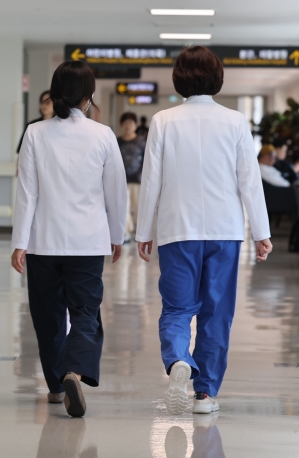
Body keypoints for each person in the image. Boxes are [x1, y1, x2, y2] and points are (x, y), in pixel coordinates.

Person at [136, 46, 272, 416]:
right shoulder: (235, 121)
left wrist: (143, 230)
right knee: (216, 312)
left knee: (178, 308)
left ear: (179, 78)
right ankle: (205, 394)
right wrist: (262, 231)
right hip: (225, 231)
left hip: (177, 229)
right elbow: (250, 182)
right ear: (217, 78)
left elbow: (151, 181)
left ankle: (179, 358)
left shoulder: (163, 120)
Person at [11, 60, 127, 418]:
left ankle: (57, 386)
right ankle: (74, 370)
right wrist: (118, 235)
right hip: (88, 242)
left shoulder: (35, 133)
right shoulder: (103, 134)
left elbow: (26, 192)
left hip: (43, 243)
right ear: (89, 97)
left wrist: (19, 241)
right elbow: (116, 192)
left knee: (48, 318)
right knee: (85, 314)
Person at [117, 111, 146, 241]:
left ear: (135, 125)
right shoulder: (117, 142)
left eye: (130, 123)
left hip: (138, 180)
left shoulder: (141, 142)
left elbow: (147, 160)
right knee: (124, 207)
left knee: (139, 208)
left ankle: (139, 232)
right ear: (122, 125)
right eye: (125, 123)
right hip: (122, 180)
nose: (128, 125)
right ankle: (126, 233)